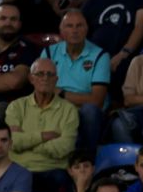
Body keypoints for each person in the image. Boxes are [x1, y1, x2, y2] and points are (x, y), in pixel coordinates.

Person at [41, 9, 111, 151]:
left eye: (79, 26)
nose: (75, 30)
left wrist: (62, 93)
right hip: (57, 108)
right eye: (69, 26)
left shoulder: (100, 55)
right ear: (61, 30)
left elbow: (96, 101)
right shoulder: (49, 52)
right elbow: (42, 90)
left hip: (85, 112)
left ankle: (86, 160)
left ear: (86, 29)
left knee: (90, 111)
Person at [5, 58, 79, 176]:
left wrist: (27, 142)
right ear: (31, 78)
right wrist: (44, 136)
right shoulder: (16, 107)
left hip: (53, 170)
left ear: (56, 80)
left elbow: (65, 147)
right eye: (40, 74)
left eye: (50, 74)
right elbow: (12, 142)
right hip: (19, 169)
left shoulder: (69, 110)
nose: (45, 78)